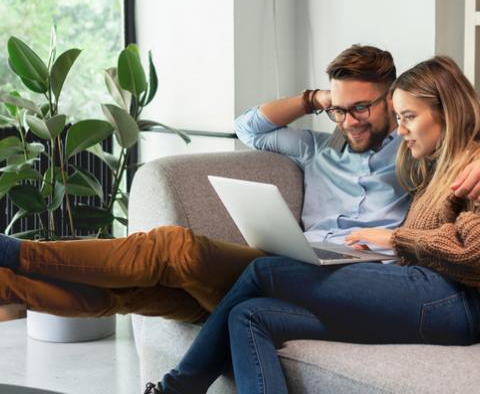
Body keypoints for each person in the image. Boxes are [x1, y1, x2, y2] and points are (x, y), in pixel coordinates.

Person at [0, 46, 478, 321]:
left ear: (391, 102)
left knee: (174, 249)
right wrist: (315, 99)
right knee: (137, 295)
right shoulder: (318, 148)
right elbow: (249, 127)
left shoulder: (415, 151)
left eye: (364, 107)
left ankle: (17, 253)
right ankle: (8, 284)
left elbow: (460, 126)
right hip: (296, 256)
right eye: (339, 107)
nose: (350, 120)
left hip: (352, 275)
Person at [148, 55, 480, 394]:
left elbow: (475, 251)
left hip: (452, 302)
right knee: (249, 315)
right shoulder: (430, 162)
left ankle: (176, 388)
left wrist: (397, 239)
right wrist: (317, 99)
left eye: (408, 117)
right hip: (417, 292)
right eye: (398, 117)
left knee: (264, 270)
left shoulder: (473, 167)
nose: (400, 129)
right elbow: (250, 127)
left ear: (448, 112)